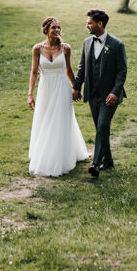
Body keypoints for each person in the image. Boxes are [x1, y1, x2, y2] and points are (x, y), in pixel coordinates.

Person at [27, 16, 90, 177]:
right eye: (54, 27)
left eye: (59, 28)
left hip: (62, 87)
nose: (57, 30)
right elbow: (34, 72)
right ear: (46, 30)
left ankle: (61, 155)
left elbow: (68, 70)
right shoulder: (37, 49)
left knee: (61, 119)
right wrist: (30, 94)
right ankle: (43, 152)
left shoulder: (65, 48)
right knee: (45, 119)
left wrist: (75, 87)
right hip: (46, 88)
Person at [72, 8, 127, 178]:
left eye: (89, 23)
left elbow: (122, 71)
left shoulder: (117, 45)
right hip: (92, 94)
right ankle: (108, 160)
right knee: (100, 129)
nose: (87, 25)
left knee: (103, 126)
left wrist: (115, 92)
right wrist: (76, 86)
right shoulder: (87, 43)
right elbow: (82, 67)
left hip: (109, 96)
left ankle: (95, 164)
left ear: (99, 24)